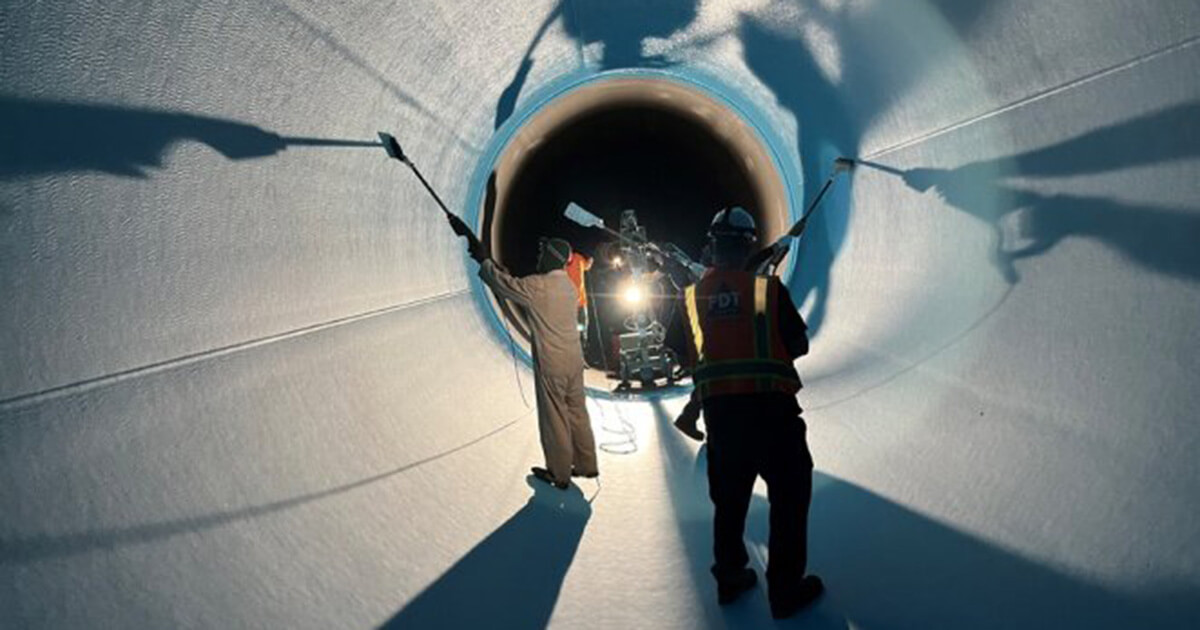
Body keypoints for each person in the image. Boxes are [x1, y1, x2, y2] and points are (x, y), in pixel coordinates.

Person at [680, 207, 823, 618]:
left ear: (711, 246)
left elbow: (682, 350)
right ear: (747, 246)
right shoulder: (767, 291)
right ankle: (785, 591)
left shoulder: (693, 297)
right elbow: (797, 344)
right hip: (773, 415)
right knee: (789, 501)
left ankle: (729, 579)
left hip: (723, 420)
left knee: (729, 504)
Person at [471, 234, 599, 490]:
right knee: (577, 412)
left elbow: (503, 285)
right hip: (574, 361)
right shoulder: (569, 287)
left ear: (551, 257)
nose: (539, 258)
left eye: (543, 254)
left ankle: (559, 473)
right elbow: (521, 286)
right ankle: (587, 465)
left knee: (555, 418)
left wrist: (485, 262)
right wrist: (506, 274)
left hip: (552, 364)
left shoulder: (537, 286)